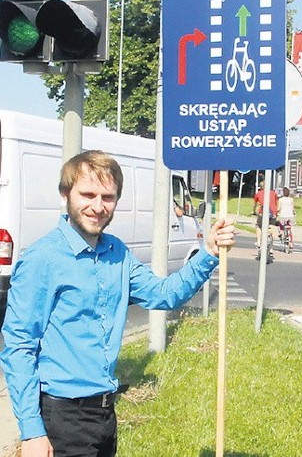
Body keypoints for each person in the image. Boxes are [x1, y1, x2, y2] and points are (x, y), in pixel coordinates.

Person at [0, 150, 236, 457]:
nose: (97, 207)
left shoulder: (118, 253)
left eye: (107, 197)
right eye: (87, 194)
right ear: (65, 194)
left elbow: (165, 294)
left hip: (105, 415)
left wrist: (208, 252)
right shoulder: (42, 259)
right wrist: (32, 431)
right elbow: (19, 345)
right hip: (60, 418)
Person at [252, 180, 278, 248]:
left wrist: (254, 211)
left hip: (262, 213)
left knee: (258, 226)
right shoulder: (273, 193)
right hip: (273, 213)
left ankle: (258, 241)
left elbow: (255, 204)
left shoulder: (258, 193)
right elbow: (275, 203)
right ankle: (271, 247)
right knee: (271, 226)